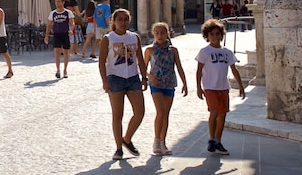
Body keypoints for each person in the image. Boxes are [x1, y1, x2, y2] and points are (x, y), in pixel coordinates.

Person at [98, 8, 147, 160]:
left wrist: (144, 77)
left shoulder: (134, 37)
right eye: (120, 19)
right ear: (114, 21)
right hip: (115, 78)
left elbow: (140, 58)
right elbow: (101, 61)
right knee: (117, 114)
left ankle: (127, 138)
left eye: (126, 19)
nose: (123, 22)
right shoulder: (108, 38)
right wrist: (105, 81)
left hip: (132, 77)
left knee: (139, 112)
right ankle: (119, 147)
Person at [196, 18, 245, 155]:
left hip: (223, 87)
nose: (215, 37)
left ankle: (218, 140)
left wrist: (241, 86)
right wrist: (199, 87)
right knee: (214, 111)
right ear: (207, 36)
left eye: (217, 34)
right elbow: (199, 70)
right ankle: (211, 138)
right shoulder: (204, 52)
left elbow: (234, 69)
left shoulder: (227, 52)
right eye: (212, 34)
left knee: (223, 114)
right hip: (210, 87)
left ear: (221, 35)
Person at [143, 22, 187, 155]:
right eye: (157, 33)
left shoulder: (173, 50)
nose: (160, 35)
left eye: (162, 33)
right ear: (153, 34)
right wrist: (149, 77)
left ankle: (163, 142)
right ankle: (156, 141)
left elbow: (179, 66)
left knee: (166, 113)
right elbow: (142, 68)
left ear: (167, 33)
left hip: (169, 83)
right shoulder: (150, 50)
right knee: (160, 112)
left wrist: (184, 82)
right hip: (156, 84)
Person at [44, 0, 75, 79]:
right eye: (56, 1)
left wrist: (71, 29)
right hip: (56, 34)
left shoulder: (68, 12)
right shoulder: (53, 13)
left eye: (58, 1)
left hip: (65, 33)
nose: (57, 3)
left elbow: (72, 23)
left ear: (63, 2)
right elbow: (49, 24)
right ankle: (58, 70)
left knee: (65, 52)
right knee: (57, 52)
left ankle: (65, 70)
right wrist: (46, 36)